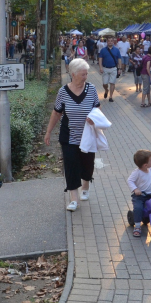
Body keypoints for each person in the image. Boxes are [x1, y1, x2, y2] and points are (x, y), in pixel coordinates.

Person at [44, 58, 101, 212]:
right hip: (68, 136)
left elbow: (98, 110)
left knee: (87, 165)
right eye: (83, 74)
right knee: (71, 165)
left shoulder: (92, 89)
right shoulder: (63, 91)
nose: (86, 76)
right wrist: (49, 131)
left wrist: (94, 120)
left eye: (86, 74)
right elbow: (56, 113)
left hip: (87, 136)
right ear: (73, 74)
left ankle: (86, 185)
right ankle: (73, 199)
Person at [98, 37, 121, 102]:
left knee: (112, 83)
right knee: (105, 83)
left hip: (114, 68)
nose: (110, 42)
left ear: (113, 42)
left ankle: (110, 97)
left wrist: (120, 68)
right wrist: (100, 67)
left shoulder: (116, 50)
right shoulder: (103, 50)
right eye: (109, 41)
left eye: (111, 41)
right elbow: (100, 59)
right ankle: (106, 90)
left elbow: (119, 59)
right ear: (107, 42)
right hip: (105, 68)